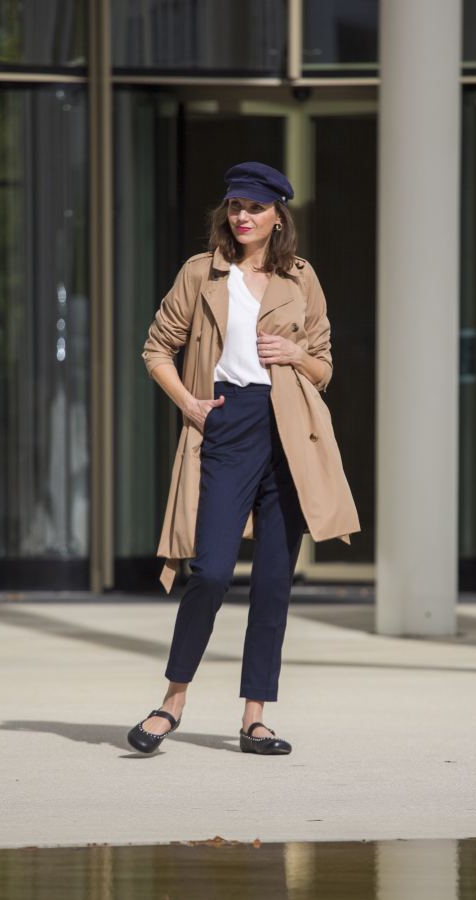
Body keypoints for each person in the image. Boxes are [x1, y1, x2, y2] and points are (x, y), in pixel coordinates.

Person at [127, 161, 360, 756]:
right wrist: (192, 406)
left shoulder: (301, 278)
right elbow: (157, 349)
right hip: (226, 426)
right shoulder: (201, 274)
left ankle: (255, 717)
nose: (242, 216)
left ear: (278, 214)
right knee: (208, 571)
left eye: (255, 207)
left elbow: (325, 367)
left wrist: (294, 353)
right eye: (234, 205)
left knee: (275, 581)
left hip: (290, 432)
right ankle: (171, 702)